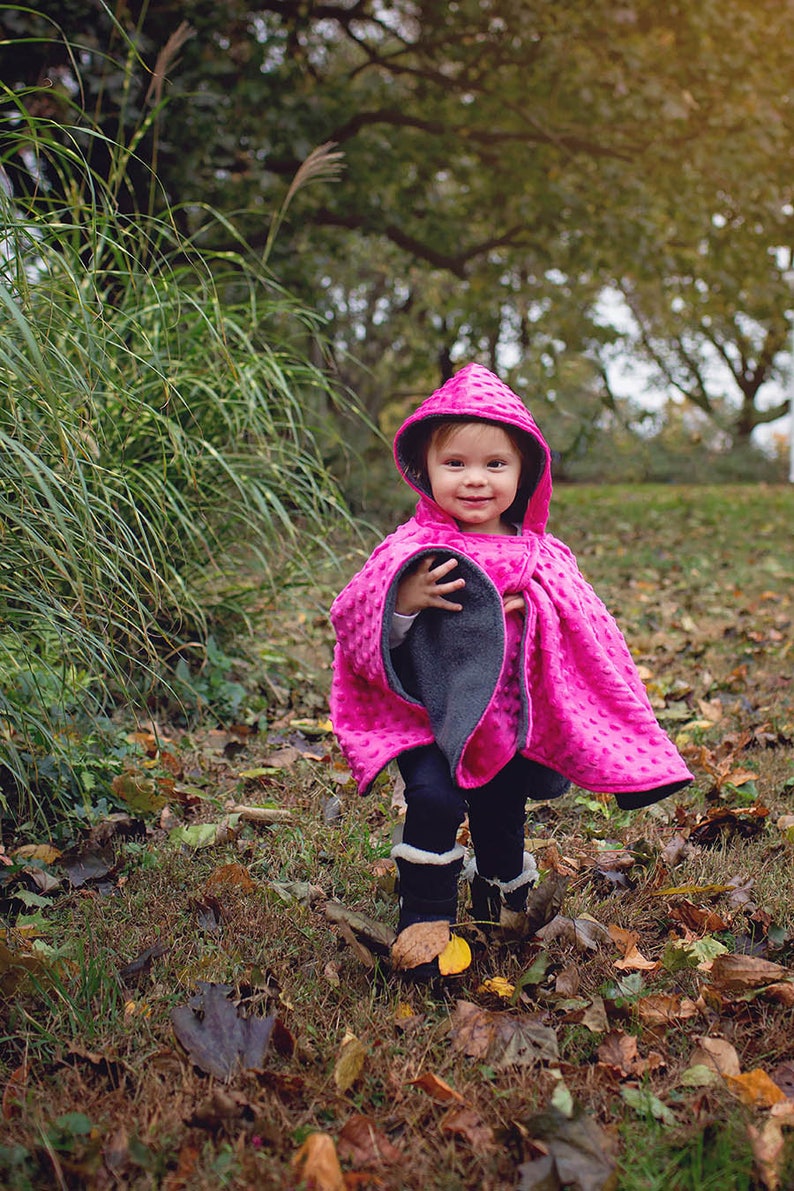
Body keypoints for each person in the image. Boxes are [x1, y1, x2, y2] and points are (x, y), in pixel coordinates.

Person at [330, 363, 692, 975]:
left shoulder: (542, 557)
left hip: (506, 722)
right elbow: (353, 620)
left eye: (495, 464)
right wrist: (403, 602)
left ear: (525, 473)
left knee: (501, 810)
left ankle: (502, 907)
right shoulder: (408, 550)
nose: (475, 480)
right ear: (425, 470)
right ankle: (424, 917)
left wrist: (540, 612)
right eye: (456, 464)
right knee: (433, 799)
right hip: (430, 715)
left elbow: (592, 636)